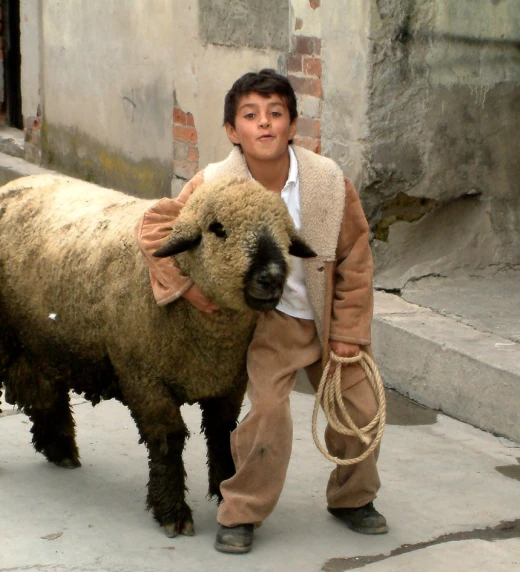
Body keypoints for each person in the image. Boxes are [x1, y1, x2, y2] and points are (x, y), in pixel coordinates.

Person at [136, 69, 387, 554]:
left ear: (293, 126)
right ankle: (242, 510)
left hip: (326, 315)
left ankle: (353, 498)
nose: (265, 124)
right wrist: (185, 288)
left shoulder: (328, 182)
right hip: (269, 323)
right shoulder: (213, 184)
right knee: (268, 414)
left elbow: (356, 257)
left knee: (362, 407)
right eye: (251, 115)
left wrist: (350, 332)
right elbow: (154, 227)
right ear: (233, 131)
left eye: (276, 113)